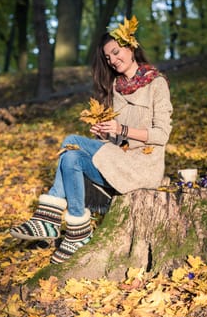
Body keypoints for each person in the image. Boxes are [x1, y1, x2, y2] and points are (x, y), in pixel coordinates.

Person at [10, 15, 173, 264]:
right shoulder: (118, 88)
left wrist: (122, 128)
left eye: (116, 52)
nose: (113, 60)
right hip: (120, 163)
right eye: (108, 58)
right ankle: (78, 233)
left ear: (131, 47)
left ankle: (49, 220)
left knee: (70, 140)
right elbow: (120, 140)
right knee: (71, 155)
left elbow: (161, 135)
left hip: (143, 168)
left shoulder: (157, 83)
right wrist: (107, 134)